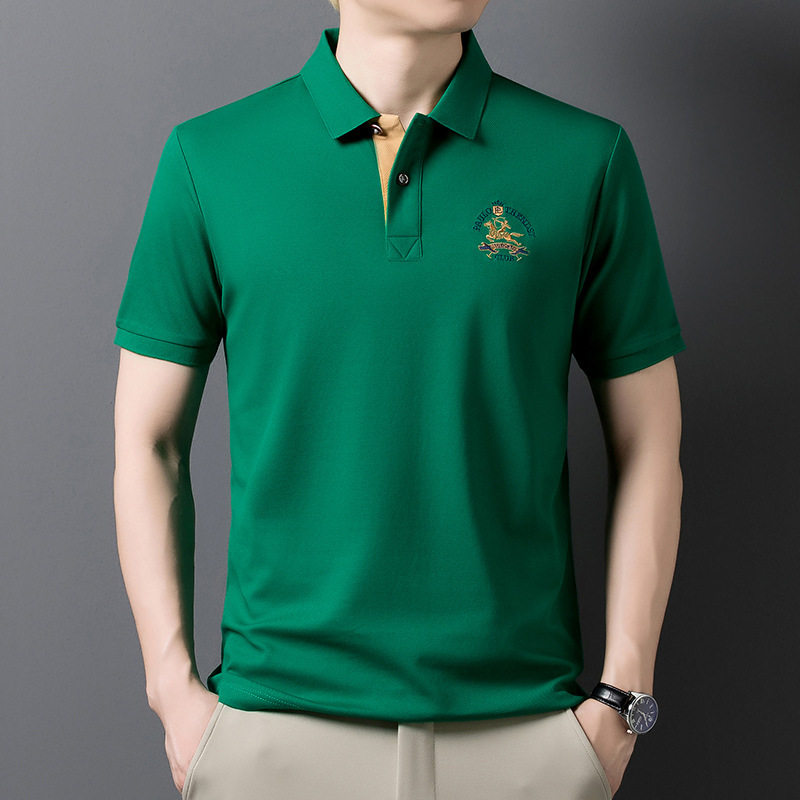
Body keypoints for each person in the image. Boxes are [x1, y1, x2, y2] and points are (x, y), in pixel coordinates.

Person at [112, 1, 685, 798]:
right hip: (275, 737)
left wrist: (623, 697)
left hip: (526, 740)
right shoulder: (210, 159)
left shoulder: (586, 158)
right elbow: (149, 442)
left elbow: (650, 441)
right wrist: (172, 694)